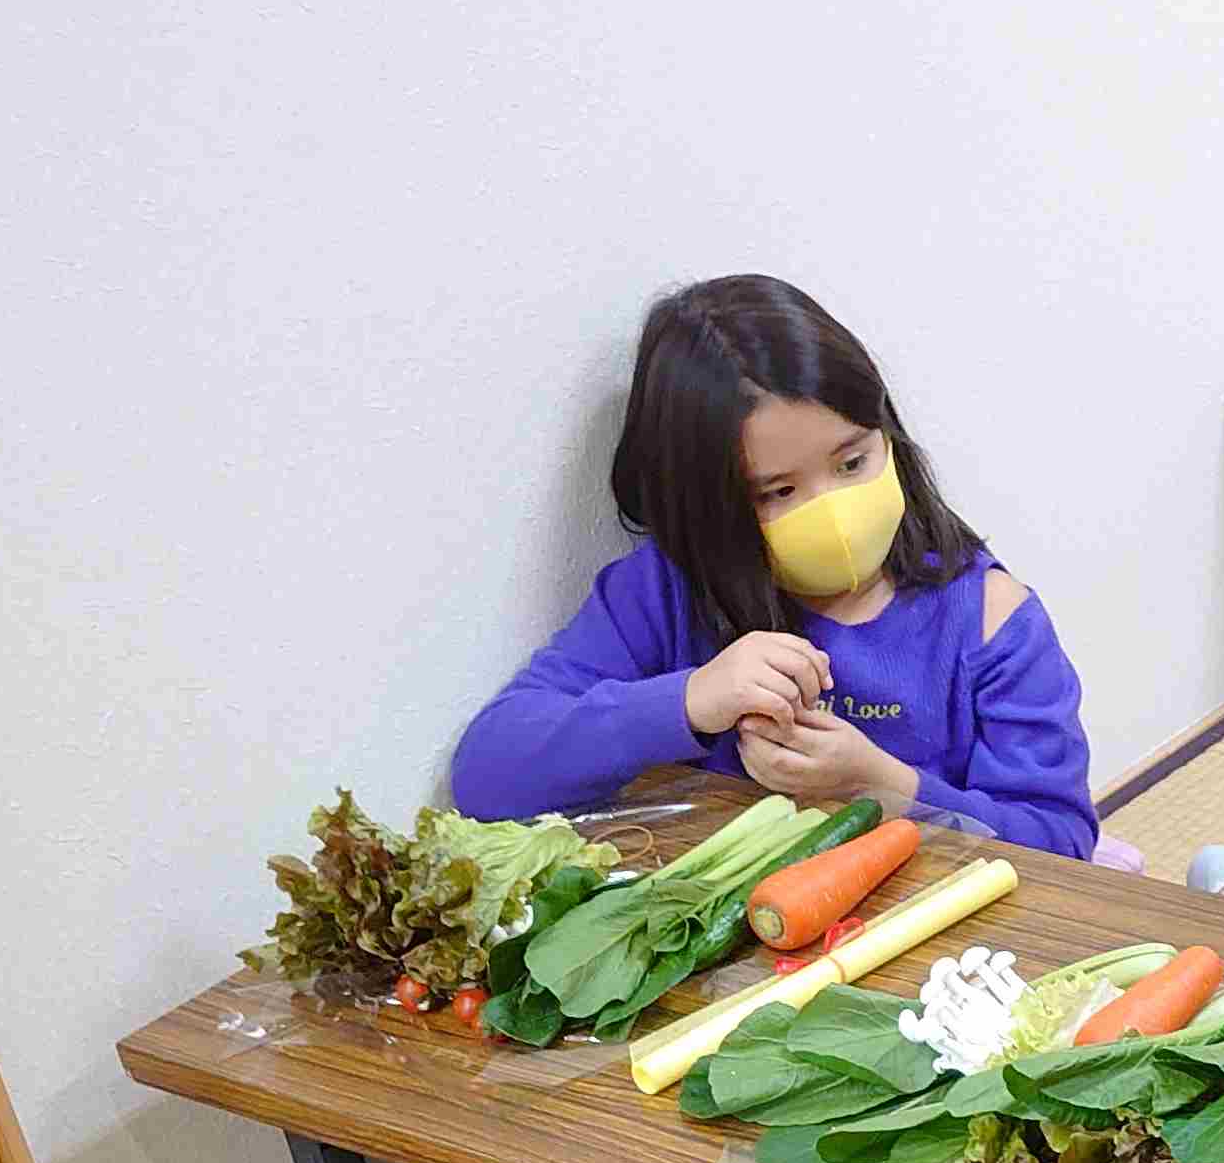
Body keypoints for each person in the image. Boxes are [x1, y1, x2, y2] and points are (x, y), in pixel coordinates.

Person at [453, 275, 1099, 858]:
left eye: (853, 462)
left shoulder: (989, 617)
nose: (833, 512)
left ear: (889, 436)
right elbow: (487, 774)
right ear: (709, 506)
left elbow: (1063, 844)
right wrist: (688, 701)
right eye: (778, 492)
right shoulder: (663, 593)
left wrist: (879, 785)